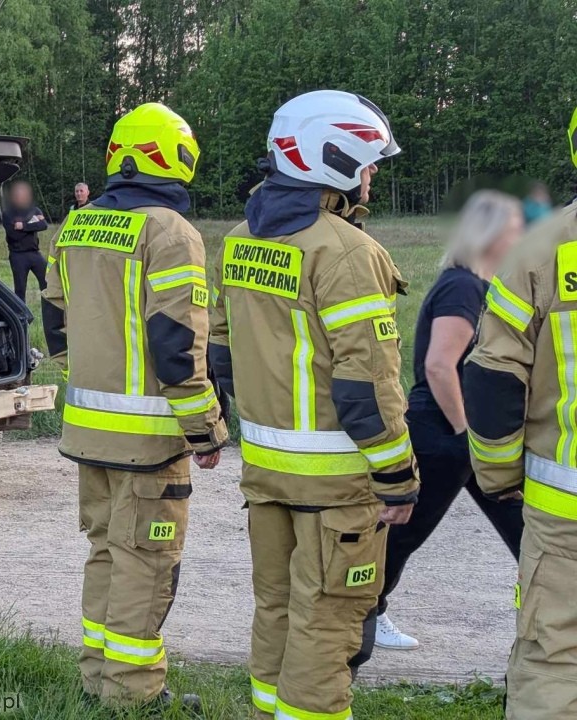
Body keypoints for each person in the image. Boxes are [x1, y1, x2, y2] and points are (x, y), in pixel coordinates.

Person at [208, 90, 418, 720]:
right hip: (337, 486)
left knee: (275, 609)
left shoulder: (240, 239)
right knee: (327, 621)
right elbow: (367, 386)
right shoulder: (348, 252)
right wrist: (398, 477)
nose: (372, 172)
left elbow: (221, 353)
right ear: (334, 159)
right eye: (367, 159)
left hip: (266, 474)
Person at [42, 102, 228, 710]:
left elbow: (55, 321)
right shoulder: (170, 232)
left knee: (104, 552)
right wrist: (205, 429)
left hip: (87, 432)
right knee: (145, 562)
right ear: (172, 158)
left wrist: (90, 376)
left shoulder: (76, 226)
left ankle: (97, 678)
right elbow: (177, 345)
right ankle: (133, 695)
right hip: (148, 442)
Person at [463, 106, 577, 719]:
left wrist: (500, 475)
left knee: (554, 660)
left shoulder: (542, 248)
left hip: (565, 513)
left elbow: (492, 378)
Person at [374, 190, 525, 651]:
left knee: (525, 527)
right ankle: (363, 613)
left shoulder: (478, 285)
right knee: (403, 533)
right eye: (515, 229)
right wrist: (465, 432)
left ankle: (550, 614)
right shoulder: (463, 287)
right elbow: (440, 366)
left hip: (465, 434)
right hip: (443, 433)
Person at [0, 180, 48, 301]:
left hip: (34, 253)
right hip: (18, 255)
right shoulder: (8, 214)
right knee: (20, 289)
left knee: (47, 282)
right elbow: (14, 235)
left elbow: (43, 225)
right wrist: (33, 222)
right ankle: (21, 312)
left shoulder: (34, 210)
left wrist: (23, 226)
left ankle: (49, 308)